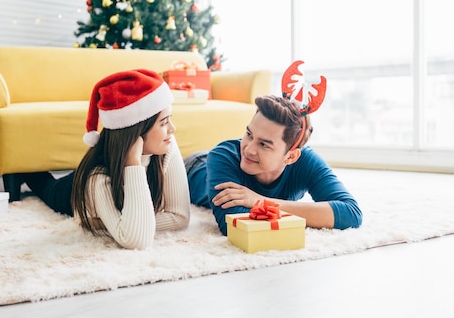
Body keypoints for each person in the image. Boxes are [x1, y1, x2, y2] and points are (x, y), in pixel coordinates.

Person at [185, 61, 362, 236]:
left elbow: (351, 214)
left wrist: (260, 201)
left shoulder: (306, 160)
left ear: (291, 157)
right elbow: (233, 224)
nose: (248, 150)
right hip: (192, 167)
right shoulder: (223, 155)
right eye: (249, 134)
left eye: (264, 144)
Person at [24, 69, 191, 249]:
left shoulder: (167, 144)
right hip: (71, 190)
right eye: (164, 122)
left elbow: (180, 217)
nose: (172, 128)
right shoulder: (97, 177)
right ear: (137, 132)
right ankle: (24, 172)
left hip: (117, 162)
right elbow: (137, 240)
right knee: (47, 188)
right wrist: (134, 164)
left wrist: (115, 224)